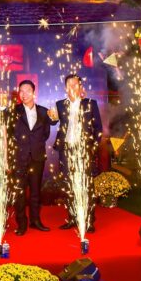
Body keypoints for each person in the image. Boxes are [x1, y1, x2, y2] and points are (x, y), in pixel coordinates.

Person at [49, 74, 103, 233]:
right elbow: (53, 121)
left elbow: (98, 129)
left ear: (80, 86)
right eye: (69, 85)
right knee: (69, 186)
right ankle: (72, 218)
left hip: (84, 150)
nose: (72, 87)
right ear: (65, 88)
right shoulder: (60, 104)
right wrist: (52, 118)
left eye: (75, 84)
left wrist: (92, 148)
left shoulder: (90, 104)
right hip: (66, 150)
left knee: (87, 186)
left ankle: (89, 220)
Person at [11, 79, 54, 236]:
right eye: (21, 91)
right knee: (19, 193)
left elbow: (46, 133)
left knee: (36, 192)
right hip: (18, 158)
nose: (24, 94)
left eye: (27, 91)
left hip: (37, 157)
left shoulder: (43, 112)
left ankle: (35, 220)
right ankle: (21, 223)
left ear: (34, 92)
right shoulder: (14, 111)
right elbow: (8, 133)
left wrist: (35, 144)